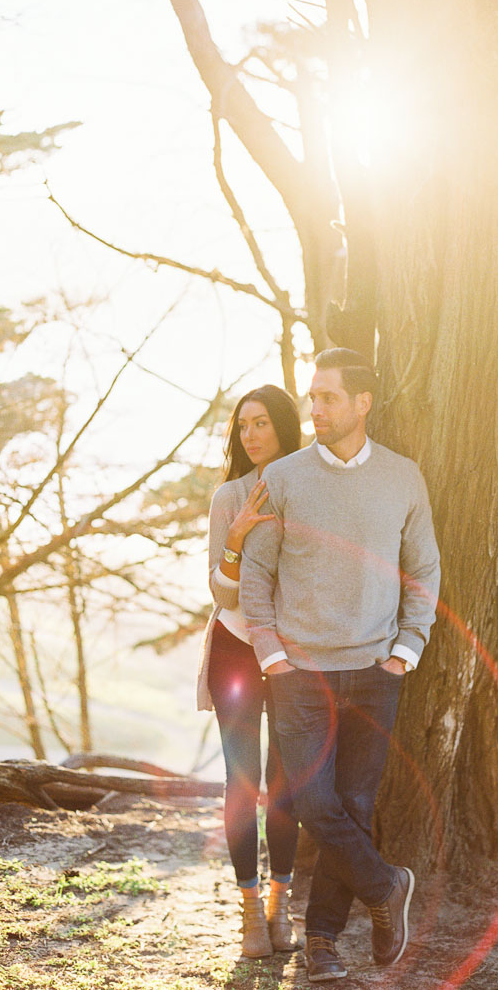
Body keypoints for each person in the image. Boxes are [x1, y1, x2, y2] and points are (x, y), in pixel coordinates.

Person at [240, 348, 441, 983]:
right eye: (313, 397)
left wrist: (407, 648)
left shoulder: (404, 477)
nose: (314, 409)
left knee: (353, 804)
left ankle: (322, 941)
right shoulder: (286, 477)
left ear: (363, 403)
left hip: (377, 670)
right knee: (306, 798)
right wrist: (273, 656)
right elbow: (257, 573)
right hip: (298, 673)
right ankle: (387, 887)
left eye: (327, 397)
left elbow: (424, 568)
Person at [196, 384, 302, 959]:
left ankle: (280, 905)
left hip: (290, 654)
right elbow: (220, 589)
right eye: (243, 426)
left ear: (285, 426)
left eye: (261, 423)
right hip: (236, 650)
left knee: (285, 786)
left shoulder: (310, 489)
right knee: (242, 783)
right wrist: (235, 538)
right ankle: (247, 913)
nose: (252, 434)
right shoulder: (228, 496)